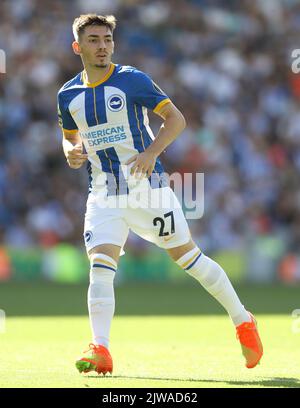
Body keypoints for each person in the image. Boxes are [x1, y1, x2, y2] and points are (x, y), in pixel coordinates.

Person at [57, 14, 263, 375]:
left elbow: (176, 119)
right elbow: (70, 135)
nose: (102, 45)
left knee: (190, 260)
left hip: (145, 188)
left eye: (107, 39)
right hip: (103, 192)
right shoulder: (68, 95)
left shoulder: (131, 80)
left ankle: (243, 320)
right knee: (100, 268)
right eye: (93, 40)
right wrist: (70, 150)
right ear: (78, 47)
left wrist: (152, 152)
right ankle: (100, 348)